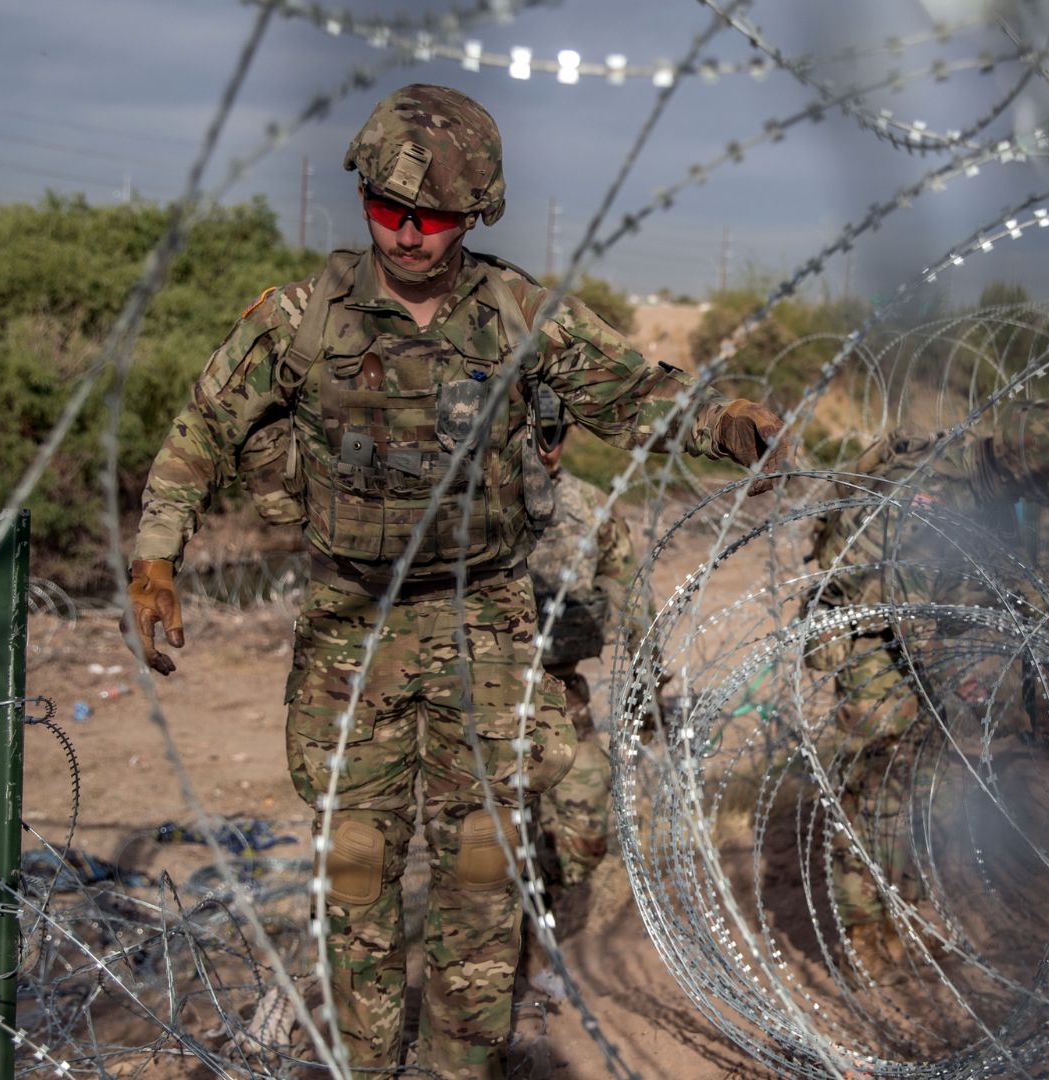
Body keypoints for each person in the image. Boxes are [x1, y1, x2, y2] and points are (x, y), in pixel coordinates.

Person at [123, 83, 791, 1077]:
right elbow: (201, 429)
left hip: (485, 625)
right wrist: (155, 558)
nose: (406, 234)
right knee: (355, 874)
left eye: (431, 217)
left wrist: (728, 420)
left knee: (481, 875)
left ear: (473, 215)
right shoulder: (298, 321)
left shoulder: (521, 316)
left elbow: (632, 395)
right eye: (386, 210)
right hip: (351, 630)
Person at [802, 389, 1049, 966]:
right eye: (1031, 491)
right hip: (869, 635)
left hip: (924, 625)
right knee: (880, 785)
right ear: (1016, 468)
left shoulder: (984, 480)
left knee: (934, 777)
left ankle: (906, 910)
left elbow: (1000, 573)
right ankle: (862, 934)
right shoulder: (930, 497)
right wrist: (959, 689)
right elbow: (909, 614)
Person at [523, 388, 644, 931]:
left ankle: (545, 922)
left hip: (562, 691)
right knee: (490, 845)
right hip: (484, 696)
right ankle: (516, 962)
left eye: (553, 434)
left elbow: (628, 583)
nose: (544, 447)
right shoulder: (474, 506)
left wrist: (649, 677)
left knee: (585, 829)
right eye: (534, 434)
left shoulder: (589, 505)